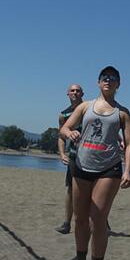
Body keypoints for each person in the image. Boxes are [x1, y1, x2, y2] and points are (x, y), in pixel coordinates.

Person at [59, 66, 130, 260]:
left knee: (98, 218)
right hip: (81, 165)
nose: (108, 81)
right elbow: (64, 128)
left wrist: (127, 170)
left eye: (113, 78)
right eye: (104, 78)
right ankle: (80, 255)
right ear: (98, 82)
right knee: (80, 217)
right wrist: (70, 132)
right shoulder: (85, 107)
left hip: (108, 169)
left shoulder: (122, 113)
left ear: (118, 84)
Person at [55, 83, 85, 233]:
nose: (75, 93)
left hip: (90, 155)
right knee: (71, 189)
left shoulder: (88, 109)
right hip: (73, 156)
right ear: (67, 94)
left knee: (93, 190)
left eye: (78, 91)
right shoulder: (64, 114)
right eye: (72, 90)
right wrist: (62, 154)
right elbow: (61, 136)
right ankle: (67, 223)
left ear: (82, 94)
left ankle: (102, 222)